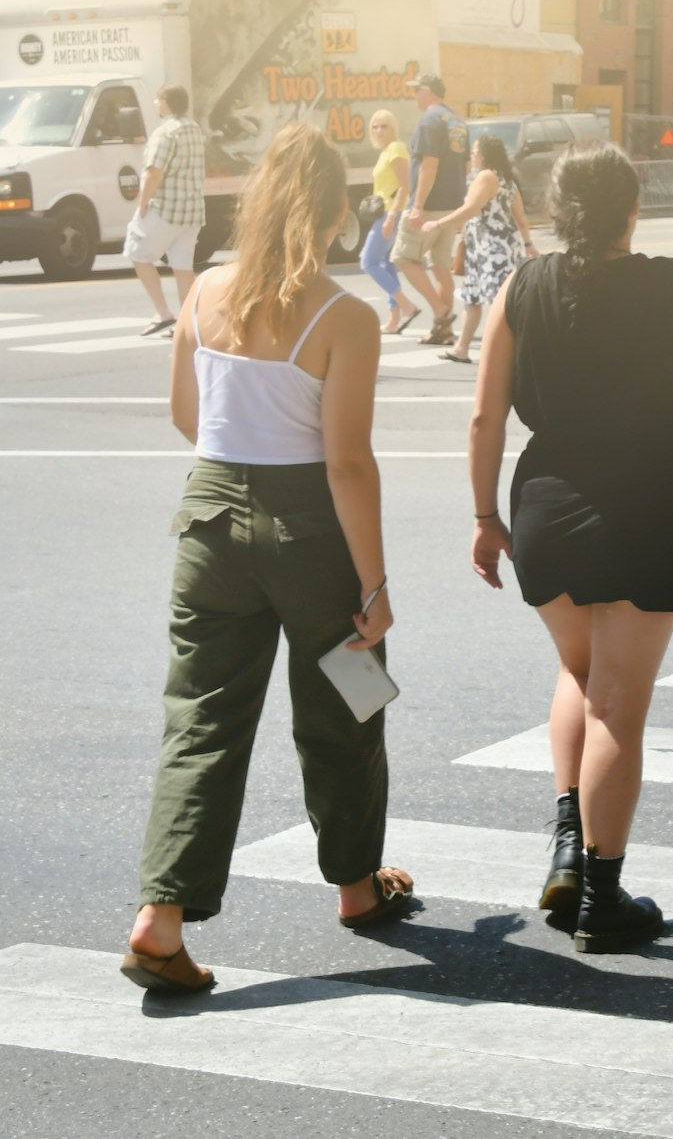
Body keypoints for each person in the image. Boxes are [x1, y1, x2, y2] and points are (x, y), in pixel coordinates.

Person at [466, 143, 673, 954]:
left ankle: (568, 848)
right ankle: (603, 894)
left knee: (581, 674)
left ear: (559, 209)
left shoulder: (520, 287)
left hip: (545, 499)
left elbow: (485, 418)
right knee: (619, 703)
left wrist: (483, 516)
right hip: (646, 497)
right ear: (633, 209)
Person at [123, 124, 406, 995]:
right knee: (347, 705)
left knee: (201, 719)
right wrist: (376, 584)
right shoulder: (345, 315)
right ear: (330, 214)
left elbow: (187, 416)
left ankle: (161, 918)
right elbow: (348, 462)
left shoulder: (204, 291)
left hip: (208, 519)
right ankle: (357, 886)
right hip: (309, 530)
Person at [420, 134, 537, 364]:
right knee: (473, 298)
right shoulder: (507, 179)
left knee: (497, 302)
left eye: (474, 152)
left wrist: (438, 223)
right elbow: (520, 218)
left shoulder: (486, 176)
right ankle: (461, 348)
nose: (471, 156)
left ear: (483, 155)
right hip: (491, 248)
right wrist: (528, 244)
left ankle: (506, 351)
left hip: (491, 250)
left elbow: (471, 209)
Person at [394, 71, 469, 345]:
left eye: (416, 90)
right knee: (439, 265)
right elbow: (465, 165)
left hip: (430, 206)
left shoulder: (429, 120)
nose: (414, 95)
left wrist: (417, 205)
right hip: (451, 206)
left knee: (403, 257)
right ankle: (444, 331)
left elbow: (429, 163)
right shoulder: (457, 121)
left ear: (427, 91)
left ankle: (441, 312)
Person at [130, 84, 207, 337]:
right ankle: (190, 322)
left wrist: (142, 204)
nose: (156, 104)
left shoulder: (165, 133)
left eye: (158, 99)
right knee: (183, 265)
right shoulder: (194, 129)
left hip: (167, 209)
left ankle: (163, 313)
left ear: (165, 102)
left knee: (138, 253)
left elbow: (154, 172)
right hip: (192, 210)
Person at [359, 109, 422, 336]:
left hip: (391, 213)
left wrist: (392, 216)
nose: (379, 130)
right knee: (386, 264)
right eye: (375, 126)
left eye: (384, 126)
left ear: (393, 128)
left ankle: (406, 305)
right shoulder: (385, 151)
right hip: (385, 213)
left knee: (368, 261)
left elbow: (406, 186)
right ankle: (394, 319)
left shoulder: (396, 149)